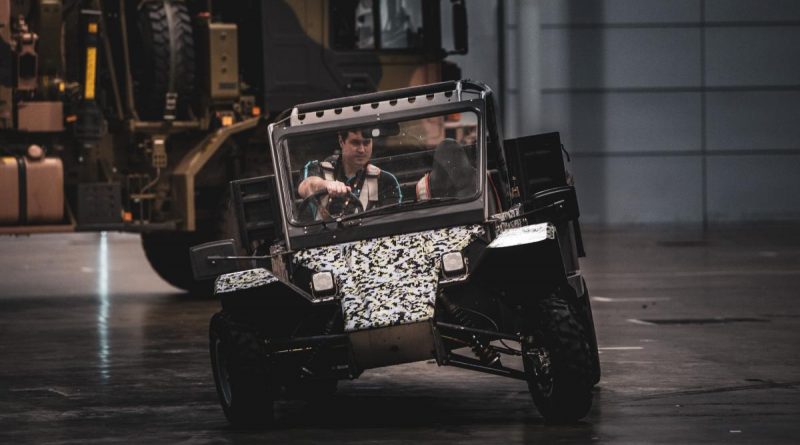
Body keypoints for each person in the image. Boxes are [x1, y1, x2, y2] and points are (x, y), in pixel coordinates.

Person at [297, 129, 402, 216]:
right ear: (341, 142)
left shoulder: (385, 181)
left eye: (366, 143)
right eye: (355, 143)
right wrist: (327, 185)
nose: (361, 150)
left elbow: (391, 222)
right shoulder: (317, 168)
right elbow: (307, 185)